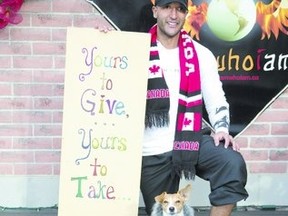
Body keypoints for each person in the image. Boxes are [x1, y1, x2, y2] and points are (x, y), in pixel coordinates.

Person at [99, 0, 248, 215]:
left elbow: (216, 97)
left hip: (188, 140)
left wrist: (222, 129)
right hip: (150, 150)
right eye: (167, 7)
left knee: (230, 162)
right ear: (155, 11)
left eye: (180, 9)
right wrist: (101, 44)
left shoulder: (201, 54)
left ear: (185, 15)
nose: (173, 15)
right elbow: (105, 77)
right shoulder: (133, 49)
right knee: (163, 211)